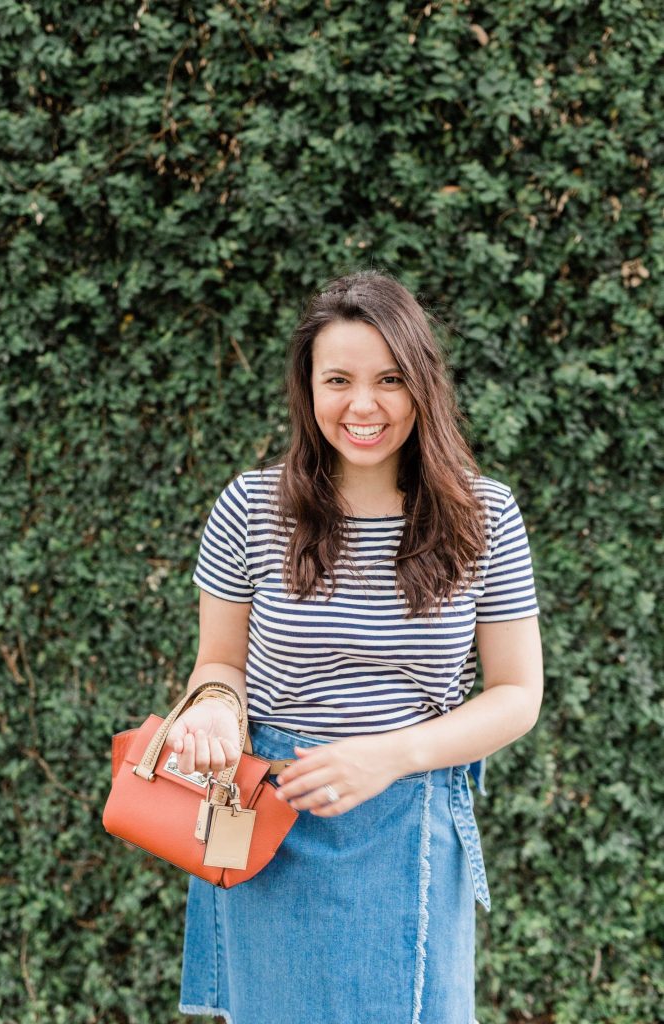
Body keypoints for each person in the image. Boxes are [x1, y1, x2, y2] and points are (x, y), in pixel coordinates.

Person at [170, 269, 543, 1024]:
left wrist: (388, 756)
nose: (362, 405)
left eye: (389, 379)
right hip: (271, 817)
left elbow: (515, 694)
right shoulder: (250, 506)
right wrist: (211, 711)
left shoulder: (485, 514)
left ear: (422, 386)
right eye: (337, 378)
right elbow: (219, 662)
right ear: (307, 387)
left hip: (411, 820)